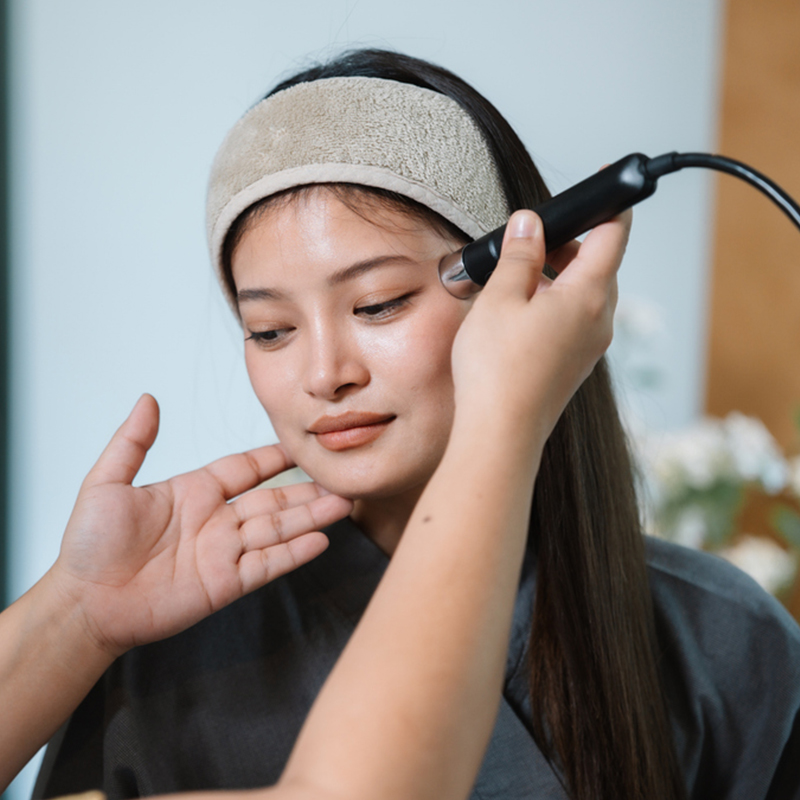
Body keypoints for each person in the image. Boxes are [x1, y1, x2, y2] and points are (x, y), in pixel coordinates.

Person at [21, 48, 800, 800]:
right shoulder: (160, 655)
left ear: (524, 283)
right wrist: (78, 614)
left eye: (378, 304)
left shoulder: (723, 640)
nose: (326, 374)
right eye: (270, 330)